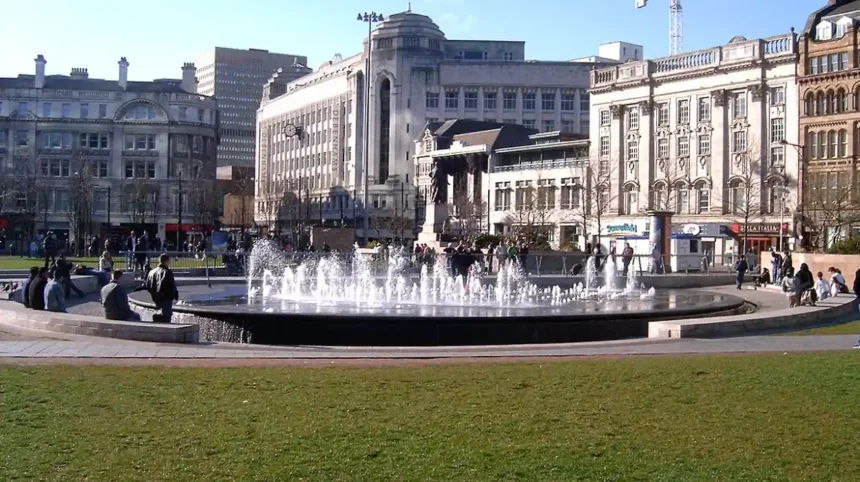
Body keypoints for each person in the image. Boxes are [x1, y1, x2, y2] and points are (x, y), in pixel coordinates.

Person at [145, 253, 179, 323]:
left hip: (156, 300)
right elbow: (171, 286)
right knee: (166, 321)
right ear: (167, 261)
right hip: (166, 301)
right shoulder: (167, 272)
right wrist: (175, 296)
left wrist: (154, 294)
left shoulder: (151, 272)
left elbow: (147, 286)